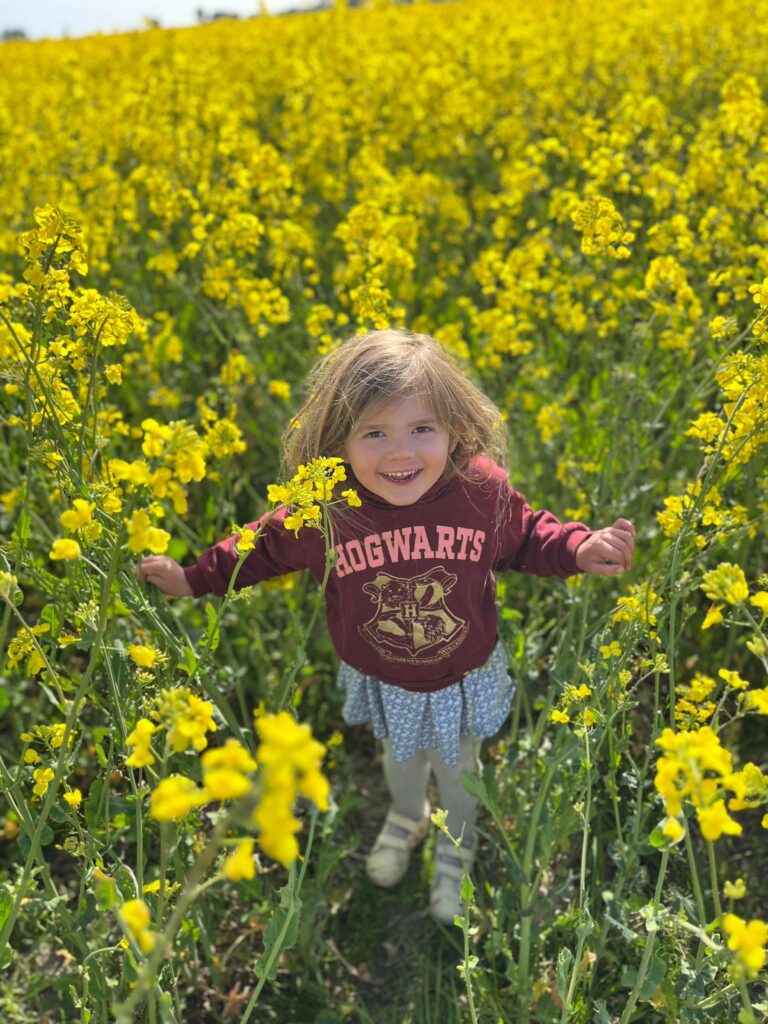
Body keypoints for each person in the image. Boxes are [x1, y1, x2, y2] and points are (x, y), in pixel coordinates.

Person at [137, 329, 635, 924]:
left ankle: (457, 846)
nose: (400, 453)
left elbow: (528, 536)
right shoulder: (324, 507)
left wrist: (579, 548)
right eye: (374, 434)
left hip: (461, 672)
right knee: (400, 758)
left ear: (455, 428)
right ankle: (407, 817)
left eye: (421, 429)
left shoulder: (479, 491)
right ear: (337, 442)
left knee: (458, 771)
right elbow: (259, 549)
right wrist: (194, 579)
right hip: (384, 674)